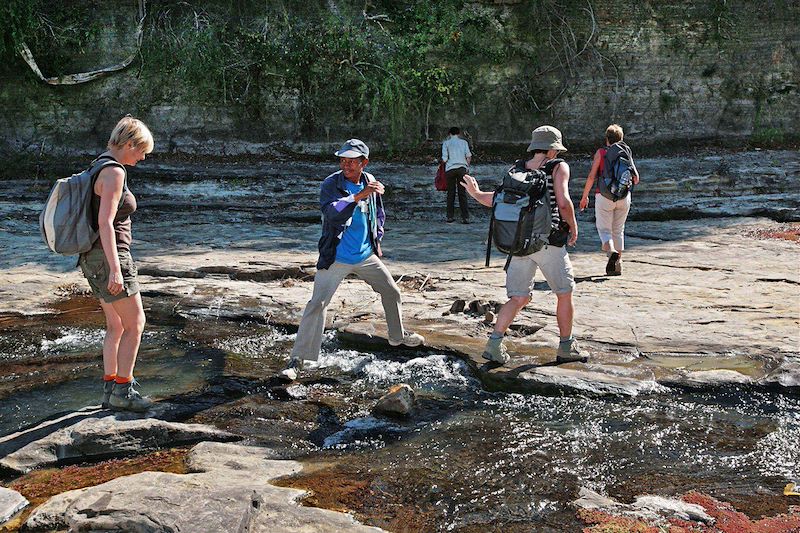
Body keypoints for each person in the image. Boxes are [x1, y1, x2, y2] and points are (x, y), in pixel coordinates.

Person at [279, 139, 425, 381]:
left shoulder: (370, 180)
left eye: (351, 161)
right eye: (342, 160)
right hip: (336, 256)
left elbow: (378, 212)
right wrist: (358, 197)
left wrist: (377, 236)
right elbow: (331, 212)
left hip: (365, 255)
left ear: (363, 163)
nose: (345, 165)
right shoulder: (331, 184)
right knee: (317, 304)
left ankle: (397, 338)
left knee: (392, 292)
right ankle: (297, 360)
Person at [461, 125, 588, 365]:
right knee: (564, 292)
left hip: (518, 243)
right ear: (552, 149)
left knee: (518, 298)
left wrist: (476, 194)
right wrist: (572, 226)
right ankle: (566, 347)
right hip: (548, 243)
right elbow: (563, 202)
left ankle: (494, 344)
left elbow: (497, 200)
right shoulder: (558, 167)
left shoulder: (517, 169)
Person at [79, 116, 154, 411]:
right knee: (136, 323)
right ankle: (123, 391)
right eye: (141, 151)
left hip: (91, 256)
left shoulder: (97, 163)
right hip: (110, 256)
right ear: (129, 144)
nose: (143, 157)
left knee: (115, 326)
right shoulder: (114, 172)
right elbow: (106, 223)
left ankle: (110, 388)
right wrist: (115, 269)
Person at [579, 124, 640, 276]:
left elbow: (592, 176)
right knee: (618, 230)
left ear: (607, 139)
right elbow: (636, 179)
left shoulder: (601, 152)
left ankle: (611, 251)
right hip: (623, 196)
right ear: (622, 138)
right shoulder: (626, 151)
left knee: (605, 230)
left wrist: (584, 196)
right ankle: (617, 266)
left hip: (604, 195)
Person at [441, 126, 472, 223]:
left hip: (450, 169)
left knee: (451, 193)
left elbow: (444, 159)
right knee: (462, 193)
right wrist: (467, 167)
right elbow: (468, 156)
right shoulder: (464, 143)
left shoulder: (446, 143)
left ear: (449, 134)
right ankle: (465, 217)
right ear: (459, 133)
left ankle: (449, 216)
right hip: (462, 169)